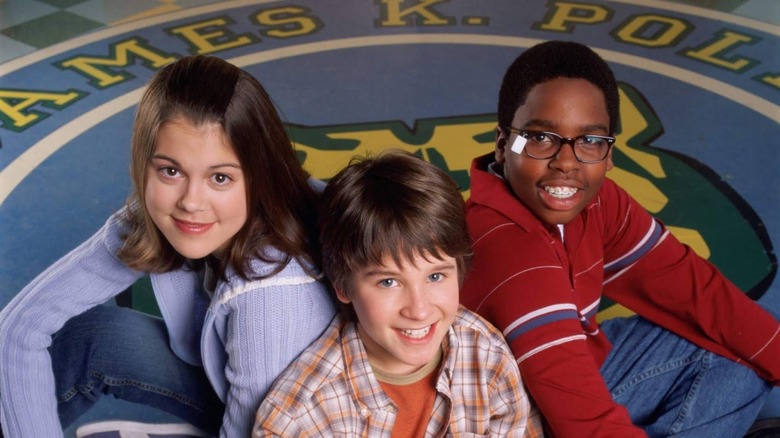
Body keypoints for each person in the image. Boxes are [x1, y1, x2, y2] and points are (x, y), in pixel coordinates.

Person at [0, 55, 336, 437]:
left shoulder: (272, 298)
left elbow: (260, 430)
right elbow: (19, 329)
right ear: (144, 164)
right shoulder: (161, 214)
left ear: (259, 176)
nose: (191, 201)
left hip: (311, 424)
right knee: (94, 338)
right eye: (170, 171)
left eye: (220, 177)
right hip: (235, 387)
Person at [460, 40, 780, 437]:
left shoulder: (597, 203)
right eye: (541, 137)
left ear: (609, 154)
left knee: (745, 351)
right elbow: (587, 425)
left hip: (570, 367)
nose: (566, 162)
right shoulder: (510, 251)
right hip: (515, 420)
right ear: (504, 143)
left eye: (590, 141)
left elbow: (697, 291)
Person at [253, 150, 544, 437]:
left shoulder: (487, 355)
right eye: (388, 282)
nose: (418, 310)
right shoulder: (298, 419)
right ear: (342, 286)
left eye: (435, 276)